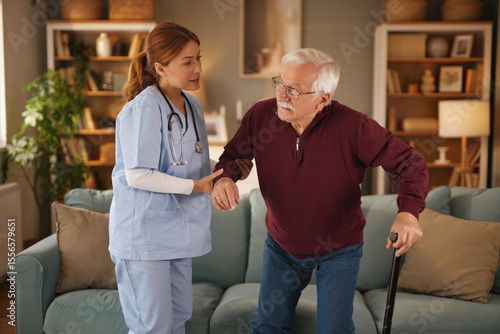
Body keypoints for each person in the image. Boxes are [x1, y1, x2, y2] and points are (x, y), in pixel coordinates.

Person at [212, 48, 429, 333]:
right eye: (280, 83)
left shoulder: (354, 127)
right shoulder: (261, 116)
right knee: (267, 326)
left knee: (334, 329)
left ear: (323, 99)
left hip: (338, 248)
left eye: (293, 90)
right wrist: (225, 178)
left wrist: (408, 214)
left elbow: (410, 164)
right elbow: (232, 157)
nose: (281, 95)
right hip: (282, 246)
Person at [108, 21, 251, 334]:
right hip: (143, 238)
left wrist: (228, 171)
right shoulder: (143, 109)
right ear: (160, 66)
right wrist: (196, 186)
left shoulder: (193, 104)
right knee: (153, 327)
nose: (198, 68)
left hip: (177, 236)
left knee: (177, 320)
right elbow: (138, 174)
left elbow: (190, 160)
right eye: (188, 62)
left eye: (198, 58)